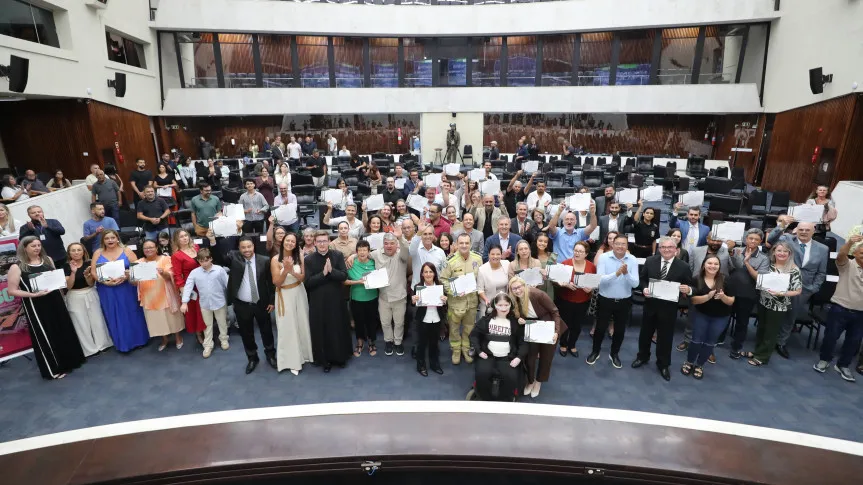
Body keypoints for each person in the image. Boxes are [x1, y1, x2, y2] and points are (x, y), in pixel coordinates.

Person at [7, 236, 85, 379]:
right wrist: (33, 295)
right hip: (36, 305)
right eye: (33, 246)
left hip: (55, 300)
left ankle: (71, 361)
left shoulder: (48, 259)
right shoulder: (17, 267)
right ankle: (54, 369)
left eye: (38, 245)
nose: (37, 248)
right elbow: (11, 291)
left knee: (62, 329)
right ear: (24, 248)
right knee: (46, 334)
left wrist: (63, 294)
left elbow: (57, 280)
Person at [210, 233, 276, 373]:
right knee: (246, 334)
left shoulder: (264, 260)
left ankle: (271, 355)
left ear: (254, 246)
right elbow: (218, 259)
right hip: (242, 305)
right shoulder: (234, 259)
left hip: (262, 303)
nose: (247, 250)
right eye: (243, 247)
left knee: (267, 331)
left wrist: (272, 301)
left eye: (249, 246)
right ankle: (252, 358)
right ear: (239, 248)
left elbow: (270, 283)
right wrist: (212, 241)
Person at [632, 236, 693, 381]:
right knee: (645, 334)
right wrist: (645, 288)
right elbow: (642, 279)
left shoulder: (683, 266)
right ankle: (642, 356)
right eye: (663, 247)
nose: (666, 250)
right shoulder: (650, 261)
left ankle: (663, 364)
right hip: (650, 305)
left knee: (665, 338)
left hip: (669, 308)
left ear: (676, 250)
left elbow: (690, 285)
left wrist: (688, 289)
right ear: (659, 249)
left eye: (669, 247)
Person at [766, 218, 828, 359]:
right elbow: (770, 240)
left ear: (814, 231)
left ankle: (781, 342)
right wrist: (781, 226)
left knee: (790, 316)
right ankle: (767, 340)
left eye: (807, 230)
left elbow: (821, 272)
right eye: (801, 229)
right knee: (773, 313)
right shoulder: (788, 239)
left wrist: (814, 288)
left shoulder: (823, 249)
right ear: (796, 230)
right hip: (781, 283)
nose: (804, 232)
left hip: (804, 288)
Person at [350, 228, 409, 356]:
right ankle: (388, 341)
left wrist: (400, 237)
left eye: (392, 243)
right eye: (386, 243)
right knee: (385, 322)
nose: (389, 246)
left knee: (399, 323)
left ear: (396, 244)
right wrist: (353, 255)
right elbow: (363, 253)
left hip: (399, 296)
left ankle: (398, 342)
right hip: (383, 297)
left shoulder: (401, 255)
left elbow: (406, 248)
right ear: (383, 244)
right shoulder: (376, 254)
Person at [813, 235, 863, 382]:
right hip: (840, 309)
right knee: (831, 337)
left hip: (860, 313)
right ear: (854, 254)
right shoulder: (847, 265)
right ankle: (824, 360)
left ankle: (843, 365)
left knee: (853, 342)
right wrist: (850, 242)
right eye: (862, 253)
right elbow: (841, 255)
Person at [91, 229, 149, 352]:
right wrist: (104, 282)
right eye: (107, 238)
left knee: (132, 312)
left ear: (117, 239)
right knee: (114, 314)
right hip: (107, 289)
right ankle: (123, 344)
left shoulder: (127, 250)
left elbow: (137, 267)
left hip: (127, 287)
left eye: (112, 237)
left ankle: (139, 340)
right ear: (103, 241)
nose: (110, 240)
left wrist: (128, 275)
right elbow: (93, 272)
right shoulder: (98, 252)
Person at [588, 234, 640, 368]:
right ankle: (595, 351)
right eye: (618, 243)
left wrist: (626, 273)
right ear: (612, 244)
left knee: (620, 330)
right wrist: (617, 273)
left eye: (623, 244)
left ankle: (614, 353)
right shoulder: (604, 258)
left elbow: (635, 284)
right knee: (600, 328)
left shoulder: (632, 260)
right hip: (605, 299)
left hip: (624, 300)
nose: (620, 246)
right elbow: (600, 279)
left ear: (627, 246)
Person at [508, 276, 564, 398]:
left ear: (524, 285)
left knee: (546, 357)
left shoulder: (538, 294)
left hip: (548, 325)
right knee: (530, 357)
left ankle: (538, 382)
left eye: (519, 287)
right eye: (514, 289)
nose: (517, 291)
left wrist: (556, 331)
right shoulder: (514, 299)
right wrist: (520, 319)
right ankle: (530, 381)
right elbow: (517, 315)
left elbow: (555, 312)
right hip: (532, 325)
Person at [305, 230, 353, 372]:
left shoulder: (337, 255)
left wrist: (332, 271)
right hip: (318, 302)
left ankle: (340, 358)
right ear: (314, 243)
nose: (322, 244)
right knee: (322, 331)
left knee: (337, 328)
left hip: (336, 300)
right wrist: (323, 274)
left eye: (324, 241)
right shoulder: (308, 259)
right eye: (319, 241)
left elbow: (344, 276)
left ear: (328, 242)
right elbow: (308, 283)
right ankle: (324, 361)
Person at [749, 242, 803, 367]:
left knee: (770, 332)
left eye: (785, 251)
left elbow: (797, 290)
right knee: (761, 329)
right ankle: (757, 352)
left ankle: (763, 357)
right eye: (779, 250)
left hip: (778, 305)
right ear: (774, 252)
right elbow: (760, 278)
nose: (782, 253)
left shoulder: (793, 269)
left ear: (789, 254)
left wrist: (782, 293)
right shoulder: (769, 265)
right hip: (764, 301)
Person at [681, 255, 735, 379]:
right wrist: (708, 297)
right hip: (702, 314)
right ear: (704, 265)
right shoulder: (696, 279)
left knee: (710, 342)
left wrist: (723, 297)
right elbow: (693, 300)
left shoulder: (726, 280)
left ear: (719, 266)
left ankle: (699, 365)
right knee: (696, 340)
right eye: (709, 263)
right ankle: (689, 362)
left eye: (716, 264)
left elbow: (731, 301)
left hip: (721, 317)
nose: (712, 266)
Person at [470, 293, 527, 401]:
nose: (503, 308)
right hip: (488, 355)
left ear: (511, 305)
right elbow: (474, 336)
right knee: (482, 374)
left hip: (508, 357)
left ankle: (505, 400)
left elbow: (523, 343)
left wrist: (519, 357)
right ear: (495, 305)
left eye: (506, 305)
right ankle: (485, 398)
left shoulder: (515, 323)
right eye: (500, 305)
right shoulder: (485, 320)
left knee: (510, 377)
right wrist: (478, 351)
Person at [272, 232, 314, 374]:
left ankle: (305, 355)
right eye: (288, 240)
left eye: (293, 241)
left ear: (296, 244)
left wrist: (292, 271)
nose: (290, 243)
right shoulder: (275, 260)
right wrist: (285, 271)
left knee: (301, 323)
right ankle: (291, 361)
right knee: (287, 327)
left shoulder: (299, 257)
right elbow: (276, 282)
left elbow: (302, 278)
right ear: (283, 241)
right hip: (284, 294)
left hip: (298, 292)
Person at [132, 239, 185, 352]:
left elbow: (171, 275)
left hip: (165, 294)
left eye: (151, 247)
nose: (148, 249)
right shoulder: (138, 263)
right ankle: (164, 339)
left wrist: (163, 273)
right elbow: (134, 283)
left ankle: (178, 337)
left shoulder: (165, 259)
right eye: (146, 248)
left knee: (172, 318)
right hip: (149, 296)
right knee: (157, 320)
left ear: (156, 248)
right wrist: (130, 276)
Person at [63, 242, 113, 356]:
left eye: (79, 250)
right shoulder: (66, 266)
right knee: (81, 323)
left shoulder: (90, 263)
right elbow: (68, 286)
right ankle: (89, 350)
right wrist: (73, 272)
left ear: (83, 251)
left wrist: (87, 276)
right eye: (73, 250)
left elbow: (91, 284)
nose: (76, 252)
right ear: (69, 253)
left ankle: (103, 344)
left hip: (90, 293)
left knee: (97, 320)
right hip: (74, 295)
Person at [441, 233, 483, 365]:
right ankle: (456, 350)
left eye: (466, 243)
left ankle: (466, 348)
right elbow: (442, 279)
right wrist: (453, 290)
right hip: (456, 302)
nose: (464, 245)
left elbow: (481, 279)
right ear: (456, 245)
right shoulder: (450, 261)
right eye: (461, 243)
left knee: (469, 327)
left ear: (470, 244)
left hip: (471, 302)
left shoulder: (478, 259)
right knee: (454, 328)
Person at [728, 228, 770, 360]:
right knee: (724, 316)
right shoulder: (736, 251)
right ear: (746, 239)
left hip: (748, 294)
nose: (752, 241)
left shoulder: (764, 258)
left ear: (760, 241)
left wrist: (746, 262)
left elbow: (758, 278)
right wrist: (729, 252)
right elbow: (729, 267)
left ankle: (736, 346)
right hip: (730, 290)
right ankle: (718, 339)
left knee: (742, 321)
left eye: (756, 239)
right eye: (750, 238)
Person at [181, 248, 230, 359]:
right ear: (198, 261)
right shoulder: (195, 272)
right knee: (207, 326)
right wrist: (184, 302)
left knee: (222, 323)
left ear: (211, 259)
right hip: (204, 304)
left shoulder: (219, 270)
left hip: (219, 302)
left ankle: (224, 339)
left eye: (206, 260)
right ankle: (208, 345)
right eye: (201, 261)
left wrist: (233, 298)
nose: (204, 263)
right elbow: (188, 287)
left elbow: (227, 284)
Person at [556, 241, 594, 358]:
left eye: (580, 251)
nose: (577, 253)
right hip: (566, 299)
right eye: (576, 250)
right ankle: (563, 344)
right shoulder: (565, 263)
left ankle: (572, 344)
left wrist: (591, 289)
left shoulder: (591, 266)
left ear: (586, 254)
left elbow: (593, 282)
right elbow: (557, 281)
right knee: (565, 324)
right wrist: (566, 284)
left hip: (583, 300)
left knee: (577, 325)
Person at [412, 262, 448, 376]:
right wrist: (413, 301)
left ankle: (434, 364)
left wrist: (445, 301)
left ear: (434, 273)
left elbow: (444, 305)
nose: (428, 274)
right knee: (421, 344)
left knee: (434, 343)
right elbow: (414, 305)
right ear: (422, 274)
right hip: (423, 319)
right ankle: (421, 365)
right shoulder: (418, 287)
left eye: (430, 271)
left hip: (436, 319)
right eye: (426, 272)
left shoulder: (440, 286)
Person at [171, 229, 206, 344]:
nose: (185, 238)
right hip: (191, 286)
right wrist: (184, 292)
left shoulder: (196, 247)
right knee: (195, 312)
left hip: (203, 282)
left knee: (205, 309)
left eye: (186, 235)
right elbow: (177, 275)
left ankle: (208, 331)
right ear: (177, 240)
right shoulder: (177, 255)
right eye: (181, 237)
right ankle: (199, 334)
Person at [345, 240, 379, 357]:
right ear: (356, 252)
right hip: (356, 298)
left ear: (369, 252)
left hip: (372, 297)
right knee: (358, 322)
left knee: (371, 321)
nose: (362, 252)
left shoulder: (374, 263)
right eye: (360, 250)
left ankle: (371, 342)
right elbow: (344, 281)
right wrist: (358, 282)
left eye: (365, 250)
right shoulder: (350, 263)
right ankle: (360, 343)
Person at [477, 245, 511, 316]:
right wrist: (487, 300)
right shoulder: (482, 269)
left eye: (498, 254)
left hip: (504, 305)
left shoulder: (507, 264)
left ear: (501, 255)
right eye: (492, 254)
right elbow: (480, 290)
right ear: (488, 255)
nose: (495, 256)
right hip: (488, 306)